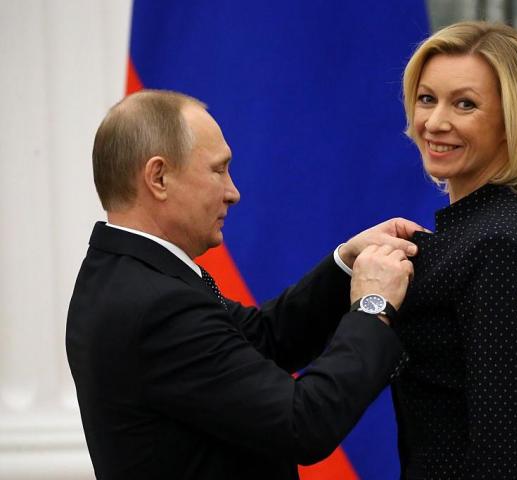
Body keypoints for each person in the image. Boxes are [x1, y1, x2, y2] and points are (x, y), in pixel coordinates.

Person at [66, 89, 422, 480]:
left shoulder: (121, 274)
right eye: (218, 170)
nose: (233, 193)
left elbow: (263, 338)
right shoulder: (155, 306)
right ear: (159, 177)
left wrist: (346, 265)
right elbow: (303, 421)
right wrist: (373, 307)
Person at [391, 21, 517, 479]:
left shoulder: (497, 242)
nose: (435, 122)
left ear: (512, 121)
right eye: (426, 98)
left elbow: (502, 451)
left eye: (464, 104)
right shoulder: (476, 229)